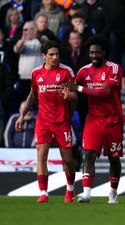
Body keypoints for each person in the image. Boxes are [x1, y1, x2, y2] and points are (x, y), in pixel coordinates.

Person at [62, 35, 125, 204]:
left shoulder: (114, 69)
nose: (94, 55)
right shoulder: (83, 71)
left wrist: (79, 88)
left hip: (113, 121)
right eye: (91, 52)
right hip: (93, 120)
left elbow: (104, 91)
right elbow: (72, 88)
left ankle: (113, 192)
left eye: (97, 52)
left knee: (114, 158)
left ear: (104, 52)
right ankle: (87, 193)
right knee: (88, 154)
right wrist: (68, 95)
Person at [15, 40, 77, 203]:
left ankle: (70, 189)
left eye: (57, 54)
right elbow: (32, 95)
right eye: (51, 55)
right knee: (41, 155)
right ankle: (44, 193)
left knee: (68, 159)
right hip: (43, 121)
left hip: (62, 121)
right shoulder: (36, 73)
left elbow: (75, 95)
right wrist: (22, 114)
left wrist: (68, 96)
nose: (55, 57)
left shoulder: (66, 71)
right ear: (44, 56)